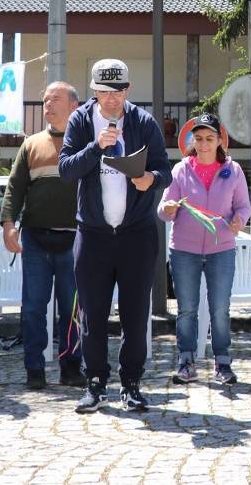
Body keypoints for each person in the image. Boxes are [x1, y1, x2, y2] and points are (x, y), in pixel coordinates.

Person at [59, 59, 171, 413]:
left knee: (135, 315)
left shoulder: (143, 122)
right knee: (92, 314)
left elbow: (165, 170)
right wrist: (96, 147)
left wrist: (150, 179)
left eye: (118, 91)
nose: (111, 99)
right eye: (105, 92)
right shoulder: (80, 121)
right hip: (93, 233)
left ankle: (131, 383)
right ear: (93, 91)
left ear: (128, 90)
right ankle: (94, 383)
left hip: (137, 233)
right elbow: (66, 170)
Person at [1, 81, 86, 390]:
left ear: (74, 106)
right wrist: (8, 224)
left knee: (72, 309)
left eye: (55, 99)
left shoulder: (88, 144)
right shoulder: (31, 144)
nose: (47, 104)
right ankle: (34, 370)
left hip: (75, 241)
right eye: (45, 99)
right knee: (33, 308)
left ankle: (71, 368)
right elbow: (15, 188)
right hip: (36, 240)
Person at [158, 113, 250, 386]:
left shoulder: (233, 170)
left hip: (222, 248)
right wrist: (168, 208)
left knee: (220, 309)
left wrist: (239, 220)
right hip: (184, 250)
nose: (204, 144)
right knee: (187, 309)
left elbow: (243, 206)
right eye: (198, 138)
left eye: (209, 138)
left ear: (220, 141)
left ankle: (223, 362)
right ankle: (186, 362)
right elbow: (163, 208)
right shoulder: (180, 170)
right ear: (192, 141)